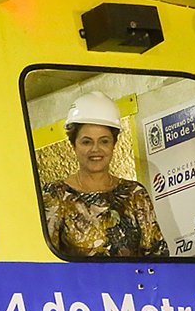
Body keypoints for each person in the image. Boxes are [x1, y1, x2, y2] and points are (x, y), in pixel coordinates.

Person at [41, 91, 168, 257]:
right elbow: (46, 263)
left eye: (104, 141)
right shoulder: (55, 196)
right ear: (74, 145)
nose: (95, 149)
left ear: (114, 144)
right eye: (87, 142)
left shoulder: (134, 194)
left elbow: (157, 255)